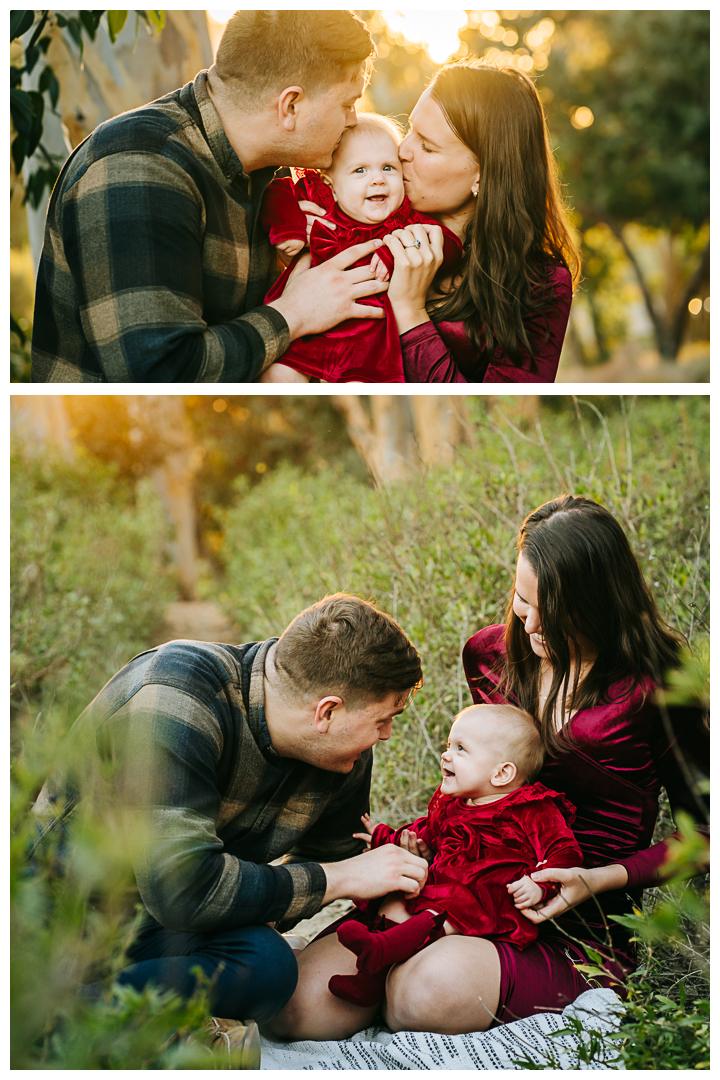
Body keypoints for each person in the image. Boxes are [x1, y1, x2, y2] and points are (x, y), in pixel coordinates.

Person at [270, 495, 708, 1041]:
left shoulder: (656, 689)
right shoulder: (491, 658)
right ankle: (409, 957)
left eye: (555, 610)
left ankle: (428, 976)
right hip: (458, 886)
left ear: (600, 603)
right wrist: (429, 839)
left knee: (420, 994)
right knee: (296, 1010)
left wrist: (600, 878)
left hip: (569, 922)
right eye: (523, 601)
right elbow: (486, 781)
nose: (531, 623)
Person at [31, 594, 428, 1026]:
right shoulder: (175, 696)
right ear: (327, 711)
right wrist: (343, 878)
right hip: (60, 917)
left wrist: (396, 869)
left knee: (269, 964)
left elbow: (333, 860)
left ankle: (100, 1010)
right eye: (385, 718)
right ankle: (53, 1019)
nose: (386, 735)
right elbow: (185, 891)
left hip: (160, 929)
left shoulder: (340, 753)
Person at [30, 10, 391, 383]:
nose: (352, 120)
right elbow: (160, 376)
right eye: (348, 103)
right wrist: (294, 312)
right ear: (291, 106)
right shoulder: (139, 167)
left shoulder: (277, 169)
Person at [303, 59, 580, 383]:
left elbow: (498, 413)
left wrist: (409, 310)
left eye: (428, 147)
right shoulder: (358, 214)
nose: (402, 150)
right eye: (410, 130)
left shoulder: (540, 286)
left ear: (484, 174)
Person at [326, 703, 582, 1007]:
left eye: (461, 749)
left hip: (488, 896)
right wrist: (387, 836)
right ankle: (371, 979)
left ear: (502, 773)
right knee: (397, 899)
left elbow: (563, 852)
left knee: (441, 911)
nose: (446, 755)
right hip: (446, 884)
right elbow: (424, 833)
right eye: (449, 745)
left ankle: (382, 949)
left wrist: (541, 885)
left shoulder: (531, 808)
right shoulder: (454, 804)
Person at [258, 113, 462, 383]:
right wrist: (290, 227)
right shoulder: (321, 201)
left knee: (360, 383)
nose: (377, 179)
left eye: (388, 167)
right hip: (307, 334)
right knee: (277, 375)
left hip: (366, 346)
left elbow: (449, 245)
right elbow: (274, 193)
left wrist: (397, 253)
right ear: (331, 185)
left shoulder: (404, 220)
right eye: (360, 170)